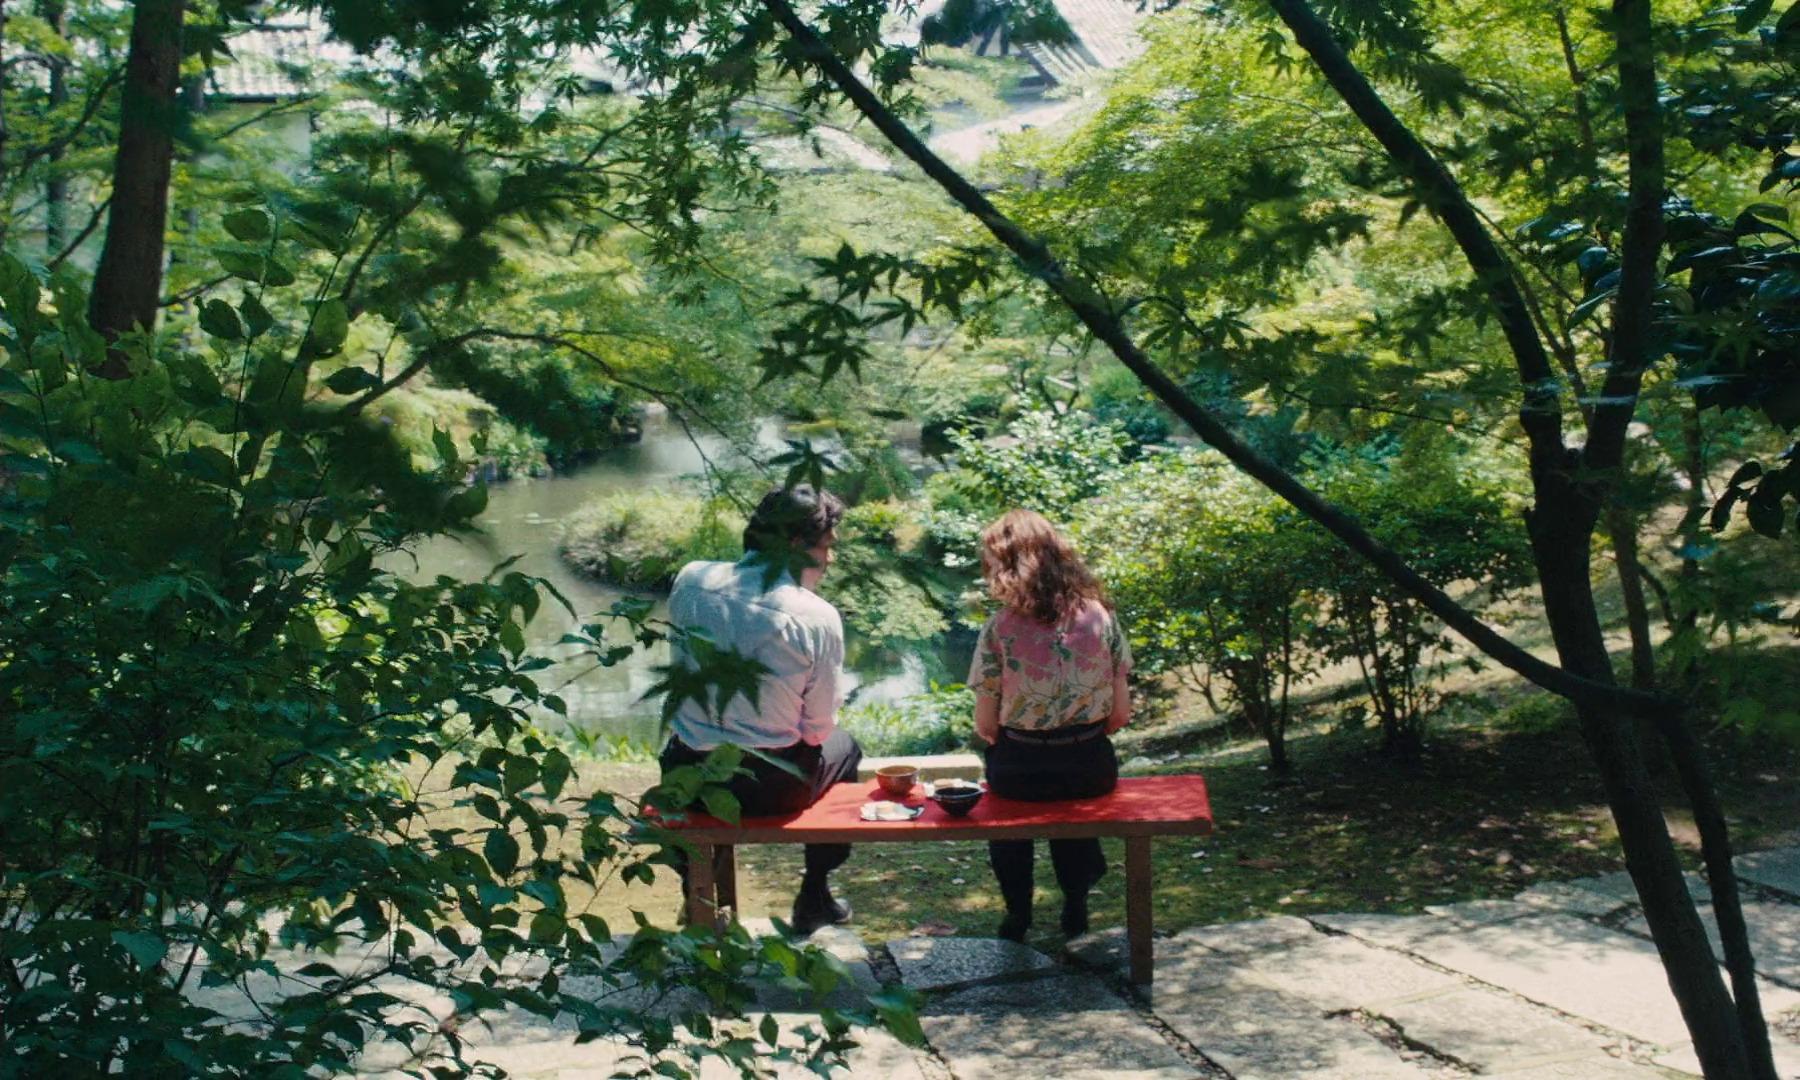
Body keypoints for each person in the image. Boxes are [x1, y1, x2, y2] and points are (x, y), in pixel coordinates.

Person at [658, 484, 863, 934]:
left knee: (684, 749)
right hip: (768, 790)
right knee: (846, 748)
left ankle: (696, 894)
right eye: (826, 547)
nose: (830, 559)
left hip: (688, 778)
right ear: (796, 545)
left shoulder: (691, 578)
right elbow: (817, 731)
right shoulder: (815, 615)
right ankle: (815, 894)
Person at [969, 509, 1132, 942]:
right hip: (1089, 767)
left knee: (1007, 823)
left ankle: (1017, 913)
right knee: (1074, 807)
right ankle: (1076, 901)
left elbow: (985, 724)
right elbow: (1120, 715)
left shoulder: (999, 628)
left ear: (1006, 566)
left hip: (1021, 771)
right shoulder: (1099, 616)